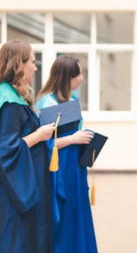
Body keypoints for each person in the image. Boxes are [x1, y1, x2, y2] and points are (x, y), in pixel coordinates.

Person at [0, 39, 55, 252]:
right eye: (32, 61)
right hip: (8, 192)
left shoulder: (5, 95)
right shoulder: (8, 101)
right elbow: (7, 150)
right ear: (19, 64)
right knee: (11, 243)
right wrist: (38, 135)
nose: (35, 67)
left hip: (3, 187)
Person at [35, 56, 98, 253]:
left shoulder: (73, 100)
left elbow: (76, 132)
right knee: (61, 217)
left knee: (76, 213)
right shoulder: (46, 102)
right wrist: (72, 139)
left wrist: (88, 140)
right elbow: (42, 143)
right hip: (58, 171)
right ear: (65, 77)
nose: (81, 78)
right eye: (77, 74)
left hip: (76, 169)